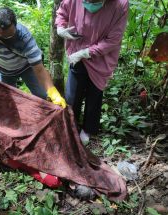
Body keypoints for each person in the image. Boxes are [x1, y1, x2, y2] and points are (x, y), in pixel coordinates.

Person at [55, 0, 129, 144]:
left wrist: (87, 52)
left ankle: (88, 129)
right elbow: (62, 12)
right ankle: (71, 125)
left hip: (102, 57)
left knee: (95, 94)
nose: (89, 4)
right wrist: (60, 28)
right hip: (76, 50)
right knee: (72, 95)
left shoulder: (120, 4)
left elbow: (114, 39)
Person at [0, 7, 66, 108]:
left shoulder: (25, 38)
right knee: (8, 99)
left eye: (11, 35)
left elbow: (39, 70)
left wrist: (53, 92)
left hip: (27, 68)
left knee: (42, 95)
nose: (9, 38)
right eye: (4, 36)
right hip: (4, 70)